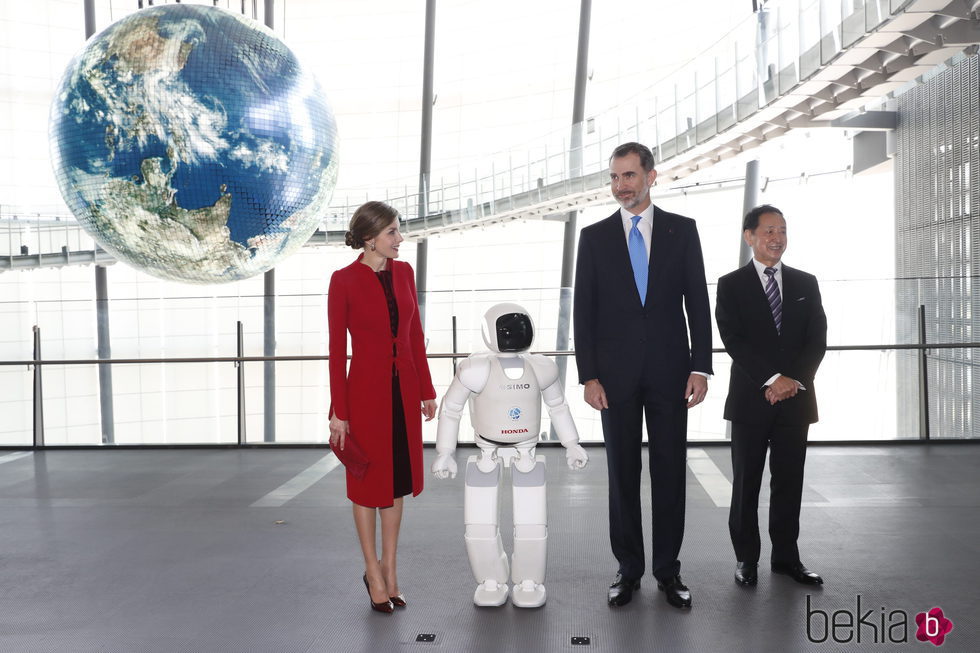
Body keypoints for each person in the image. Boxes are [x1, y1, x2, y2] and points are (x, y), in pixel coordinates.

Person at [573, 142, 712, 609]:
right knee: (622, 475)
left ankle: (669, 572)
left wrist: (700, 366)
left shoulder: (682, 231)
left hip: (673, 373)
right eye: (614, 178)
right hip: (613, 380)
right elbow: (584, 313)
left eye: (629, 176)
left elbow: (698, 301)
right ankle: (628, 570)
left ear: (651, 177)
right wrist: (589, 376)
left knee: (670, 473)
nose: (620, 186)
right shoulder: (593, 238)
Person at [432, 303, 588, 608]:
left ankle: (529, 581)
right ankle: (490, 579)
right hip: (486, 452)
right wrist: (445, 452)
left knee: (532, 523)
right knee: (479, 524)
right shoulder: (475, 369)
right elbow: (450, 409)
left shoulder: (541, 367)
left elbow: (558, 406)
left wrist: (572, 443)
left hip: (526, 451)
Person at [328, 201, 438, 614]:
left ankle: (391, 569)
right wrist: (340, 411)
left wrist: (426, 390)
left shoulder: (405, 273)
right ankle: (371, 569)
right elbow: (337, 351)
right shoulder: (344, 281)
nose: (400, 238)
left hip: (403, 392)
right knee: (366, 480)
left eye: (399, 230)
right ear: (370, 237)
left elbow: (414, 336)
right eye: (392, 232)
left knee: (396, 481)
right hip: (364, 395)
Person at [715, 204, 827, 588]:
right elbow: (734, 340)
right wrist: (772, 378)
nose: (777, 237)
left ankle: (786, 559)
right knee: (746, 483)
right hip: (751, 400)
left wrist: (792, 380)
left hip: (794, 400)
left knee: (789, 483)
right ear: (750, 237)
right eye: (768, 231)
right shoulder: (730, 284)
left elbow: (817, 339)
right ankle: (746, 558)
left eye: (782, 230)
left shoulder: (806, 282)